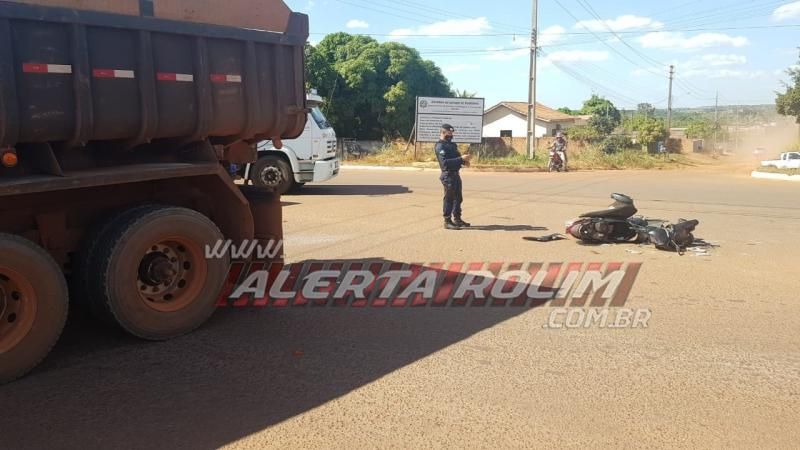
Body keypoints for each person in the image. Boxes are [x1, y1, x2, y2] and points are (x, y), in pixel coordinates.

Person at [435, 124, 472, 230]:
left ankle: (457, 219)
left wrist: (464, 162)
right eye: (449, 133)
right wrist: (461, 159)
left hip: (456, 175)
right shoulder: (440, 146)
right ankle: (447, 221)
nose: (451, 135)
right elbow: (445, 163)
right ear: (443, 133)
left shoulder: (452, 145)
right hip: (448, 175)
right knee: (449, 199)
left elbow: (457, 157)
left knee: (458, 198)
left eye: (452, 134)